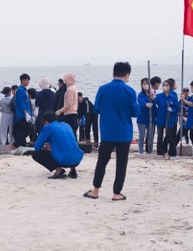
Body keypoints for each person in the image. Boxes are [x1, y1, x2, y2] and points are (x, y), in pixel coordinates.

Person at [83, 62, 138, 201]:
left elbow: (97, 109)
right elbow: (135, 112)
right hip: (124, 133)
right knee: (121, 163)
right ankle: (116, 193)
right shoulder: (130, 91)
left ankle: (95, 191)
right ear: (127, 75)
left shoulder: (103, 89)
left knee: (102, 161)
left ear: (113, 74)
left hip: (107, 132)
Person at [32, 111, 84, 179]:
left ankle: (58, 169)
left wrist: (46, 148)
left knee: (35, 154)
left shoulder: (48, 127)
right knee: (68, 146)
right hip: (77, 159)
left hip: (63, 160)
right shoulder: (66, 125)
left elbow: (37, 147)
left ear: (46, 121)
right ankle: (73, 170)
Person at [155, 79, 179, 158]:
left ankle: (172, 153)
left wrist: (172, 110)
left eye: (167, 85)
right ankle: (159, 153)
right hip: (160, 119)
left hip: (170, 119)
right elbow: (154, 103)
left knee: (169, 136)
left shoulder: (173, 97)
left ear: (170, 87)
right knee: (160, 136)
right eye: (164, 85)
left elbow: (177, 108)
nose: (165, 87)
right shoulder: (159, 96)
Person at [11, 74, 34, 149]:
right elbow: (21, 103)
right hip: (23, 115)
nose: (28, 82)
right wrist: (26, 113)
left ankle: (22, 146)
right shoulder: (20, 90)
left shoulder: (24, 90)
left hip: (27, 114)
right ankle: (14, 145)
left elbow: (27, 102)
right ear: (23, 80)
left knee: (23, 132)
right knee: (26, 131)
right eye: (27, 80)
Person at [136, 78, 155, 155]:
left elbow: (156, 102)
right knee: (142, 136)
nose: (146, 85)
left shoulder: (153, 93)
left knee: (150, 136)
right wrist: (146, 104)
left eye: (147, 83)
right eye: (144, 84)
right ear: (142, 85)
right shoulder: (140, 94)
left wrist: (153, 96)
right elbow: (141, 102)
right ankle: (141, 152)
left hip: (151, 118)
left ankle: (150, 151)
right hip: (142, 118)